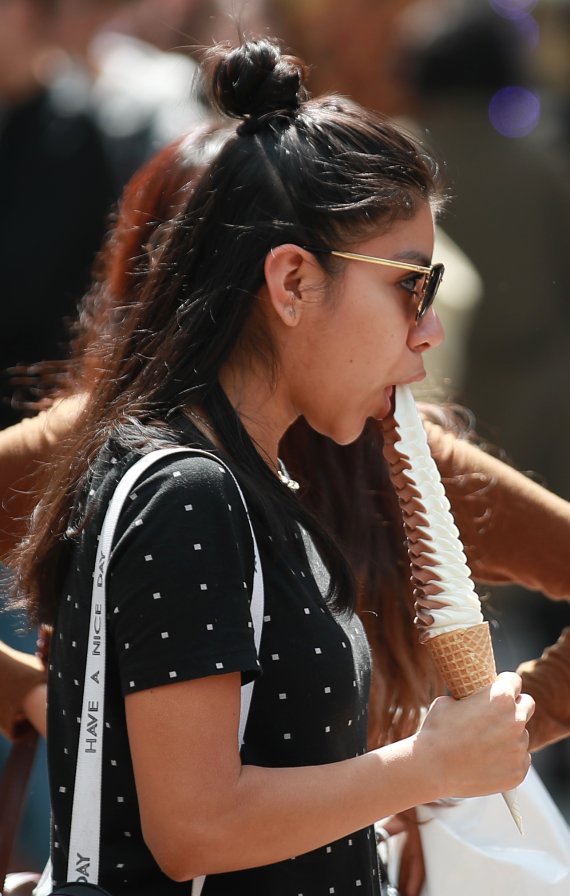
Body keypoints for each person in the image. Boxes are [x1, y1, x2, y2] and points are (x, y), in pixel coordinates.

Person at [5, 38, 533, 896]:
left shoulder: (250, 479)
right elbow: (195, 826)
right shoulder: (190, 491)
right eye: (411, 283)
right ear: (291, 282)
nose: (429, 329)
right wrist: (426, 766)